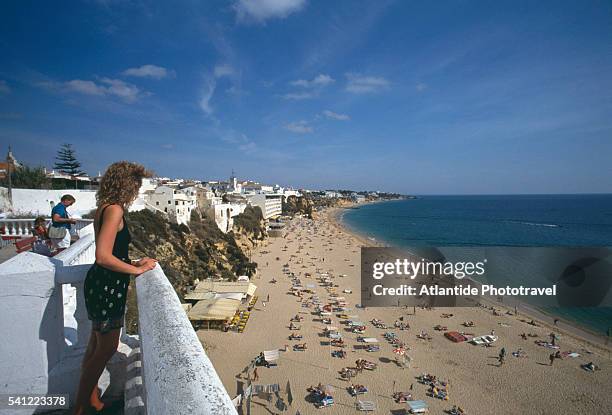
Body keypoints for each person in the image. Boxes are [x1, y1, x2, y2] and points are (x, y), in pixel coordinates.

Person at [72, 162, 157, 415]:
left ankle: (89, 397)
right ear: (127, 185)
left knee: (95, 345)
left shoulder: (103, 208)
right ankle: (80, 405)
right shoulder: (115, 210)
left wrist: (132, 261)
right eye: (136, 185)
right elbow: (102, 256)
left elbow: (112, 253)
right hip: (107, 287)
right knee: (106, 348)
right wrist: (137, 270)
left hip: (101, 283)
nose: (137, 191)